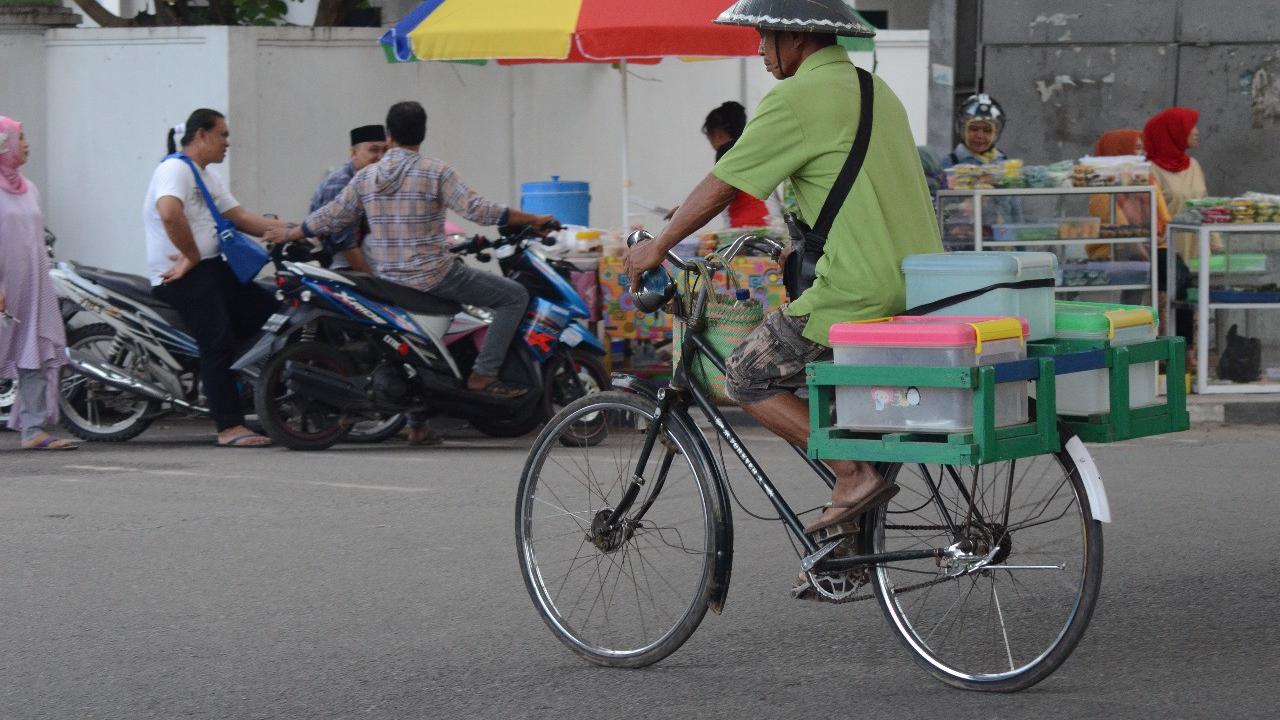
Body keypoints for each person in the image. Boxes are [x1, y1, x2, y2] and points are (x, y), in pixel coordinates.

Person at [624, 0, 942, 540]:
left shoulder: (796, 96)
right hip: (925, 285)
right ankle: (851, 547)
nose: (759, 47)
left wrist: (660, 244)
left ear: (796, 39)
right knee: (838, 396)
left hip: (858, 289)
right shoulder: (872, 88)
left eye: (764, 35)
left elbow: (726, 179)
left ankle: (852, 476)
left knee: (745, 373)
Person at [267, 101, 556, 407]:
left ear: (389, 135)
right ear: (423, 133)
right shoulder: (436, 172)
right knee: (514, 297)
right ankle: (484, 374)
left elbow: (332, 216)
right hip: (435, 276)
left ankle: (419, 423)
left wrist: (290, 233)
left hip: (388, 280)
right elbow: (479, 210)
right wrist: (532, 219)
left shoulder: (366, 178)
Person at [146, 108, 283, 448]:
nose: (228, 143)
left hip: (211, 268)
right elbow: (169, 213)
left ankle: (240, 386)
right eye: (223, 135)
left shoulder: (206, 176)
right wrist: (191, 256)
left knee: (271, 311)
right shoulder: (175, 169)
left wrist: (296, 231)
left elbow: (240, 218)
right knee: (217, 340)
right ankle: (229, 426)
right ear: (202, 135)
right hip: (180, 276)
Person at [0, 116, 77, 450]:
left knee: (34, 350)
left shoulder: (29, 188)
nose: (27, 144)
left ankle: (33, 430)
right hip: (2, 286)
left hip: (31, 285)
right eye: (22, 137)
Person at [1145, 108, 1209, 352]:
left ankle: (1190, 357)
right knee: (1173, 300)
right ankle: (1174, 358)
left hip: (1195, 246)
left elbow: (1204, 205)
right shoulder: (1151, 171)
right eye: (1191, 126)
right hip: (1165, 250)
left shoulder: (1193, 165)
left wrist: (1214, 247)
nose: (1197, 132)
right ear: (1172, 132)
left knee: (1192, 300)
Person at [308, 125, 386, 272]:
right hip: (336, 261)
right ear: (354, 153)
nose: (381, 157)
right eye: (374, 150)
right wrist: (374, 286)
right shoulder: (339, 183)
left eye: (385, 151)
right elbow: (343, 242)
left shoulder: (375, 178)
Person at [701, 101, 770, 227]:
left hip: (743, 223)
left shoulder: (726, 152)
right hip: (762, 219)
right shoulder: (746, 149)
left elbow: (718, 192)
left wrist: (686, 212)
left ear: (718, 133)